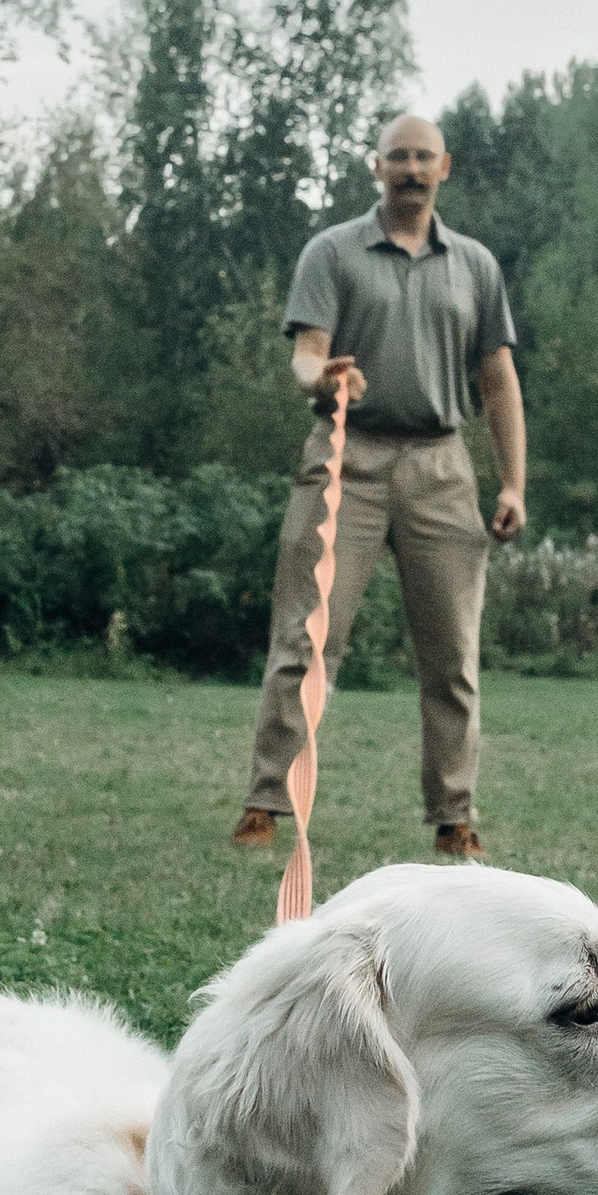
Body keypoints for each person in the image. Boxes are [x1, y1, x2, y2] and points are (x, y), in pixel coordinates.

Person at [231, 113, 525, 862]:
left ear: (445, 168)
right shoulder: (331, 252)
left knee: (453, 654)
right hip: (344, 457)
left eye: (424, 157)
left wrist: (514, 482)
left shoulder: (476, 266)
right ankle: (266, 802)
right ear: (376, 166)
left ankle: (455, 816)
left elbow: (496, 379)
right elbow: (306, 352)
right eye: (398, 157)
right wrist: (321, 377)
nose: (412, 169)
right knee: (306, 638)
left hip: (442, 466)